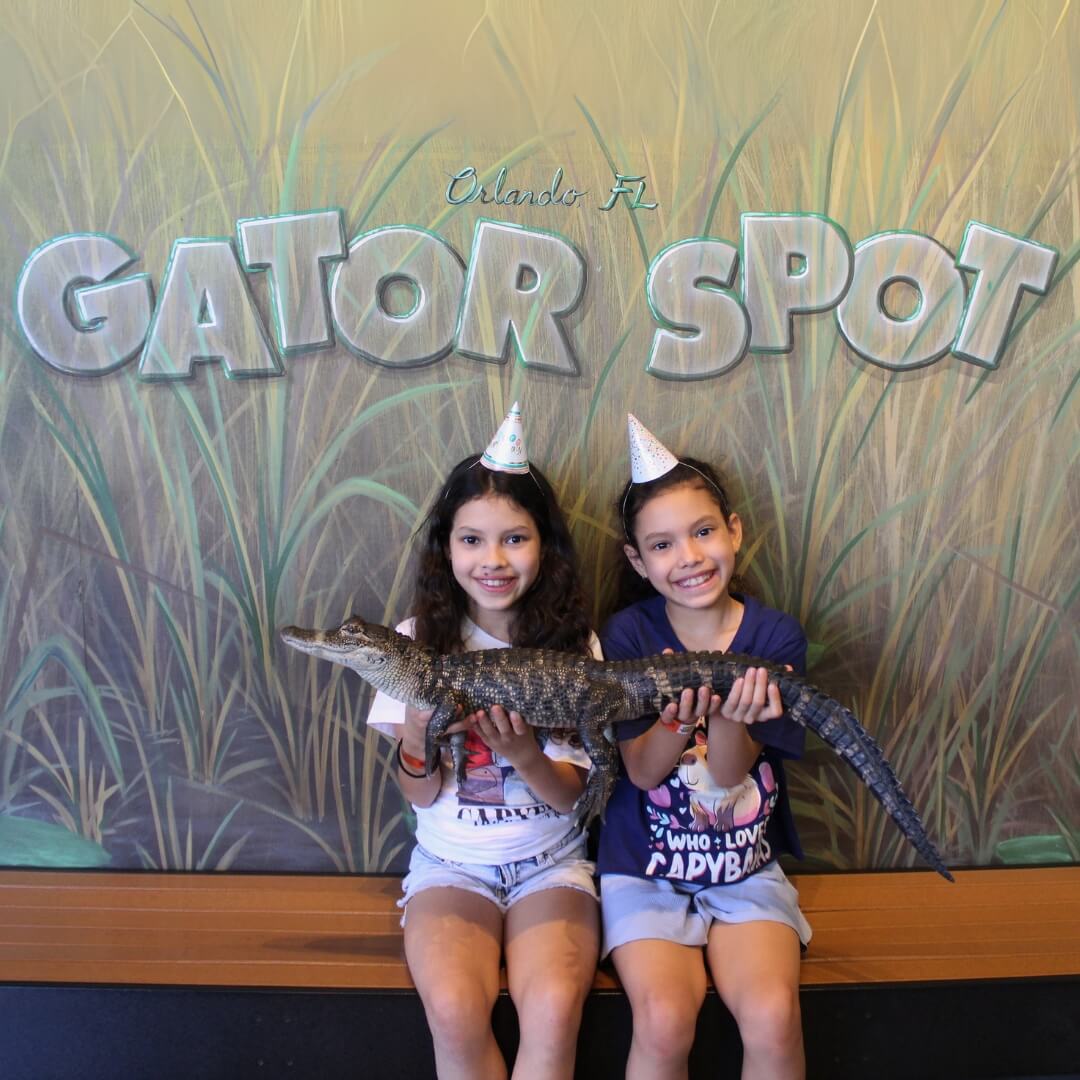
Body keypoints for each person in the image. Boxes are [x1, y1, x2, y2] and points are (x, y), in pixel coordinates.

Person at [366, 404, 600, 1080]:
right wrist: (418, 731)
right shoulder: (414, 644)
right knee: (452, 1007)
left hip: (551, 864)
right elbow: (420, 792)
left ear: (545, 548)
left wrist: (525, 753)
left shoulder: (573, 646)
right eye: (472, 539)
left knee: (554, 1006)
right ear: (447, 548)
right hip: (451, 866)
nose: (492, 560)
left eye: (514, 539)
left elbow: (574, 800)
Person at [598, 415, 812, 1080]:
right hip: (643, 867)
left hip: (744, 865)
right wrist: (674, 720)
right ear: (638, 560)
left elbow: (726, 774)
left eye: (703, 531)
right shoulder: (628, 636)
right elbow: (641, 773)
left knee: (773, 1015)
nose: (688, 557)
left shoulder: (774, 637)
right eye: (662, 544)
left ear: (734, 531)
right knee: (664, 1020)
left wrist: (723, 713)